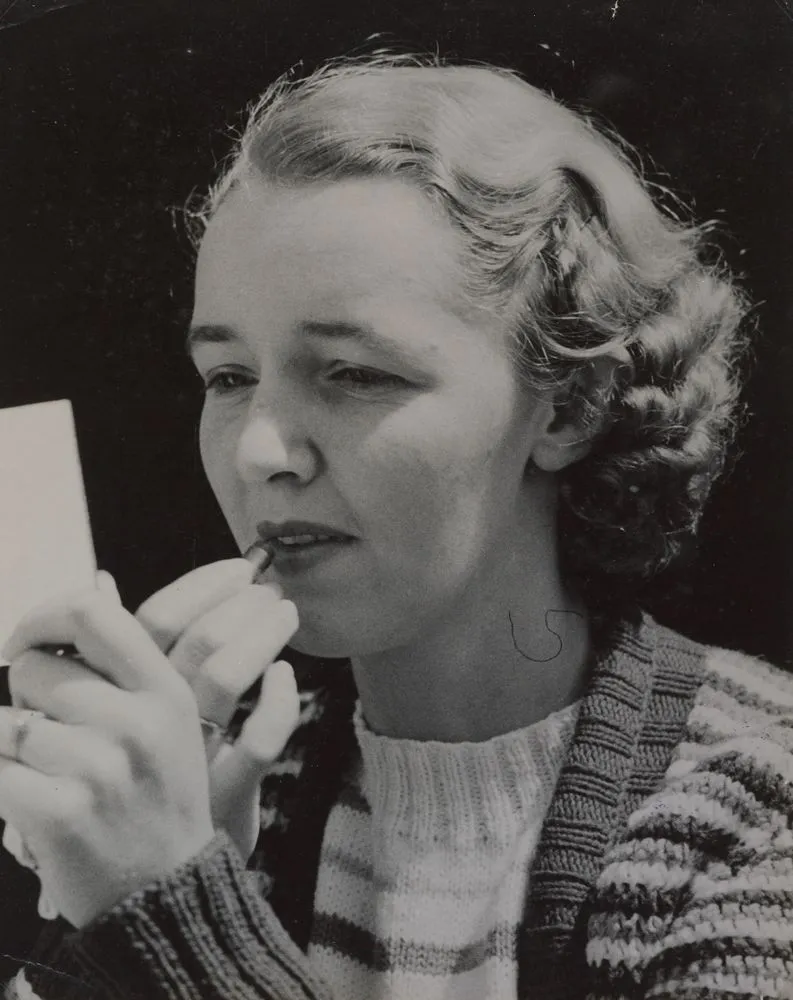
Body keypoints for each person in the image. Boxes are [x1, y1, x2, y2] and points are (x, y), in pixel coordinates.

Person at [1, 53, 791, 1000]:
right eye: (228, 377)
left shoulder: (757, 810)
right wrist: (93, 915)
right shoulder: (235, 795)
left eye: (354, 374)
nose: (259, 452)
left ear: (571, 406)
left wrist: (168, 912)